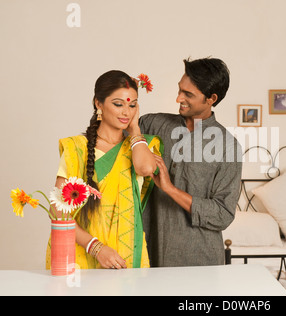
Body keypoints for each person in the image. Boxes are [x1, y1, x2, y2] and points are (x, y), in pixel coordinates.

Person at [45, 70, 162, 270]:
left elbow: (146, 168)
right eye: (118, 104)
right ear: (98, 104)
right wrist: (96, 247)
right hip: (80, 255)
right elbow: (57, 211)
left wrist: (134, 130)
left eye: (132, 105)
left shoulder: (140, 147)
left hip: (125, 256)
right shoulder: (77, 149)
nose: (126, 112)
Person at [139, 57, 242, 267]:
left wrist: (169, 188)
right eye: (179, 90)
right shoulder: (152, 124)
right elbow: (110, 143)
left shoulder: (227, 146)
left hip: (198, 261)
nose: (178, 99)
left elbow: (223, 214)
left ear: (211, 98)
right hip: (147, 255)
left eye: (188, 94)